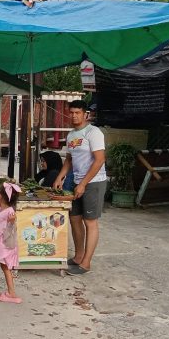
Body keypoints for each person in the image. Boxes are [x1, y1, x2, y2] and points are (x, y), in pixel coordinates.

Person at [53, 100, 107, 276]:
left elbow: (99, 160)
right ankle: (77, 257)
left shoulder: (94, 133)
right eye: (72, 112)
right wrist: (60, 177)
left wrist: (83, 183)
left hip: (93, 182)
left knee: (89, 221)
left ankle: (86, 263)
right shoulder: (71, 135)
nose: (74, 115)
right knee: (74, 218)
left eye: (78, 112)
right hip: (76, 181)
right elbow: (69, 159)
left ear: (86, 114)